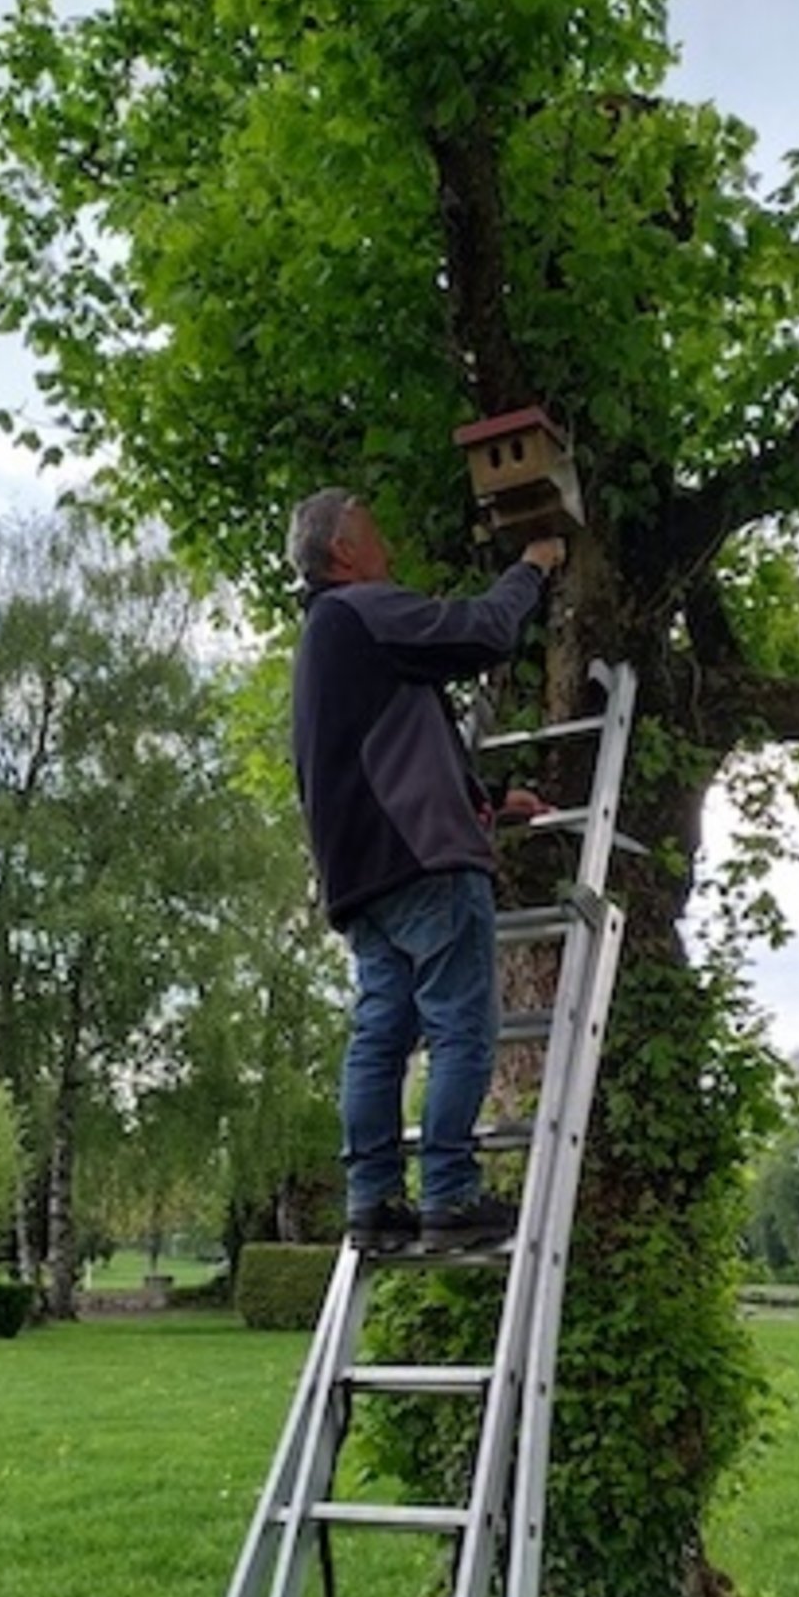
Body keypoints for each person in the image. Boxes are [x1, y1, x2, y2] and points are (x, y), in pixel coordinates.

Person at [288, 488, 567, 1255]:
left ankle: (374, 1202)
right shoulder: (361, 609)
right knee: (462, 1028)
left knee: (380, 1033)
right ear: (343, 553)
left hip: (361, 875)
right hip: (423, 861)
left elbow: (390, 743)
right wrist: (532, 569)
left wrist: (483, 798)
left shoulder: (325, 642)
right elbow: (479, 632)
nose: (390, 554)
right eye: (375, 536)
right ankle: (450, 1197)